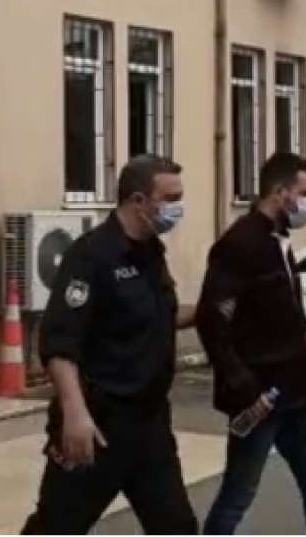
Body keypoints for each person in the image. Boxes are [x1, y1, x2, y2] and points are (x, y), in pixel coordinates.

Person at [20, 155, 198, 535]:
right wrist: (75, 413)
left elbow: (155, 318)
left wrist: (209, 311)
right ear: (137, 201)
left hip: (149, 425)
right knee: (57, 527)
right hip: (99, 423)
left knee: (177, 527)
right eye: (170, 199)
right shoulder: (91, 256)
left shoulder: (151, 252)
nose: (177, 208)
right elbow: (59, 343)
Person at [196, 151, 306, 535]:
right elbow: (212, 320)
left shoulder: (279, 242)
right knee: (238, 493)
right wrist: (243, 385)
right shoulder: (240, 244)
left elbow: (291, 314)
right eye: (305, 193)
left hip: (294, 388)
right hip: (260, 396)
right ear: (280, 192)